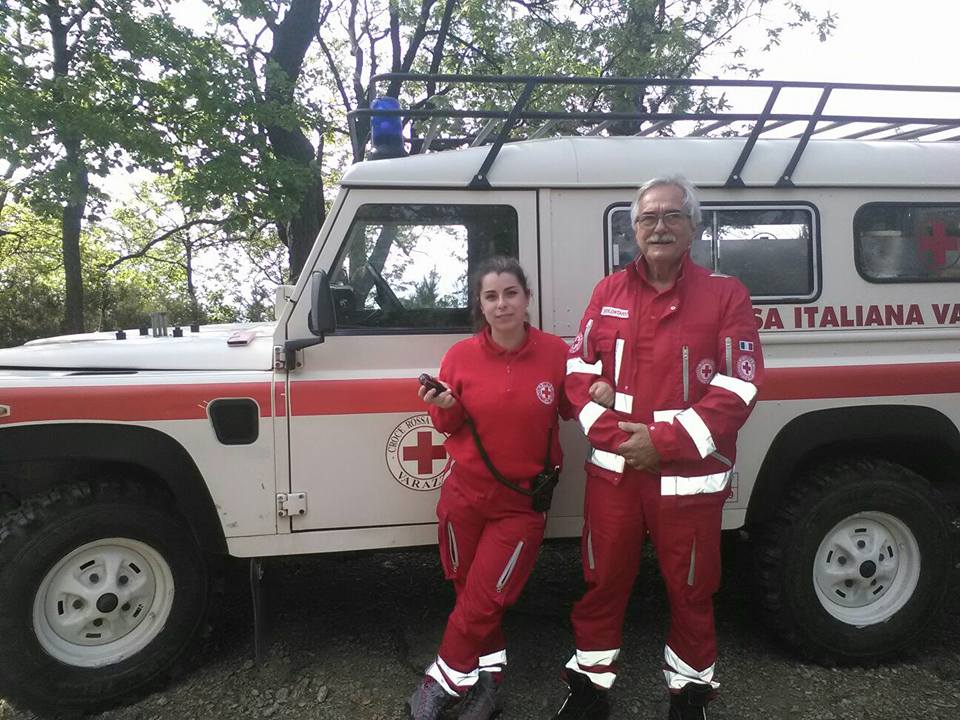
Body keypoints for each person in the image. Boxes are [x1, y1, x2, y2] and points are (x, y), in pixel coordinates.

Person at [550, 176, 764, 720]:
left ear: (693, 226)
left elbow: (739, 387)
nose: (659, 226)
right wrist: (625, 441)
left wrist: (663, 443)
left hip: (687, 482)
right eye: (648, 218)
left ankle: (690, 696)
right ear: (634, 230)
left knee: (691, 590)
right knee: (602, 582)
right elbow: (577, 373)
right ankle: (590, 688)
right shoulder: (608, 292)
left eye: (672, 215)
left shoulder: (726, 294)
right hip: (615, 477)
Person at [407, 256, 574, 720]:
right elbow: (448, 424)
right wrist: (443, 405)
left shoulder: (556, 354)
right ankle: (489, 680)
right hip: (463, 497)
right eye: (491, 296)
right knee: (469, 593)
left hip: (521, 505)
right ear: (480, 305)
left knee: (487, 596)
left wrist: (602, 390)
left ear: (527, 299)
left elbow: (574, 409)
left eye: (510, 294)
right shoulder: (460, 356)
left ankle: (439, 680)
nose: (502, 305)